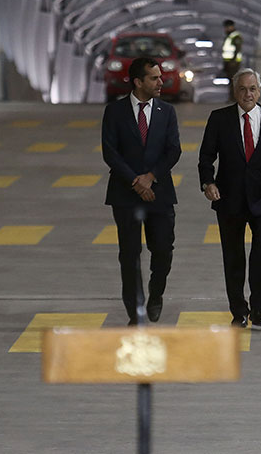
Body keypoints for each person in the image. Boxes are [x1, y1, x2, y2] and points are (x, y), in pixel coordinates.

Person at [198, 68, 261, 328]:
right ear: (234, 91)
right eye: (242, 89)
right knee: (233, 257)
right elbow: (206, 157)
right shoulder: (219, 119)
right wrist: (208, 182)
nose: (247, 94)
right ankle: (239, 311)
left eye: (252, 89)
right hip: (229, 200)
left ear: (259, 91)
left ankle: (259, 309)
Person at [101, 57, 181, 325]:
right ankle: (135, 311)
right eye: (154, 78)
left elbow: (173, 150)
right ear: (138, 82)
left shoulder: (166, 112)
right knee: (129, 254)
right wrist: (136, 182)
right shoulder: (114, 112)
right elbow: (110, 153)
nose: (161, 82)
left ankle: (156, 295)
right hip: (125, 195)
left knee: (163, 250)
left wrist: (150, 177)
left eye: (160, 77)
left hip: (160, 193)